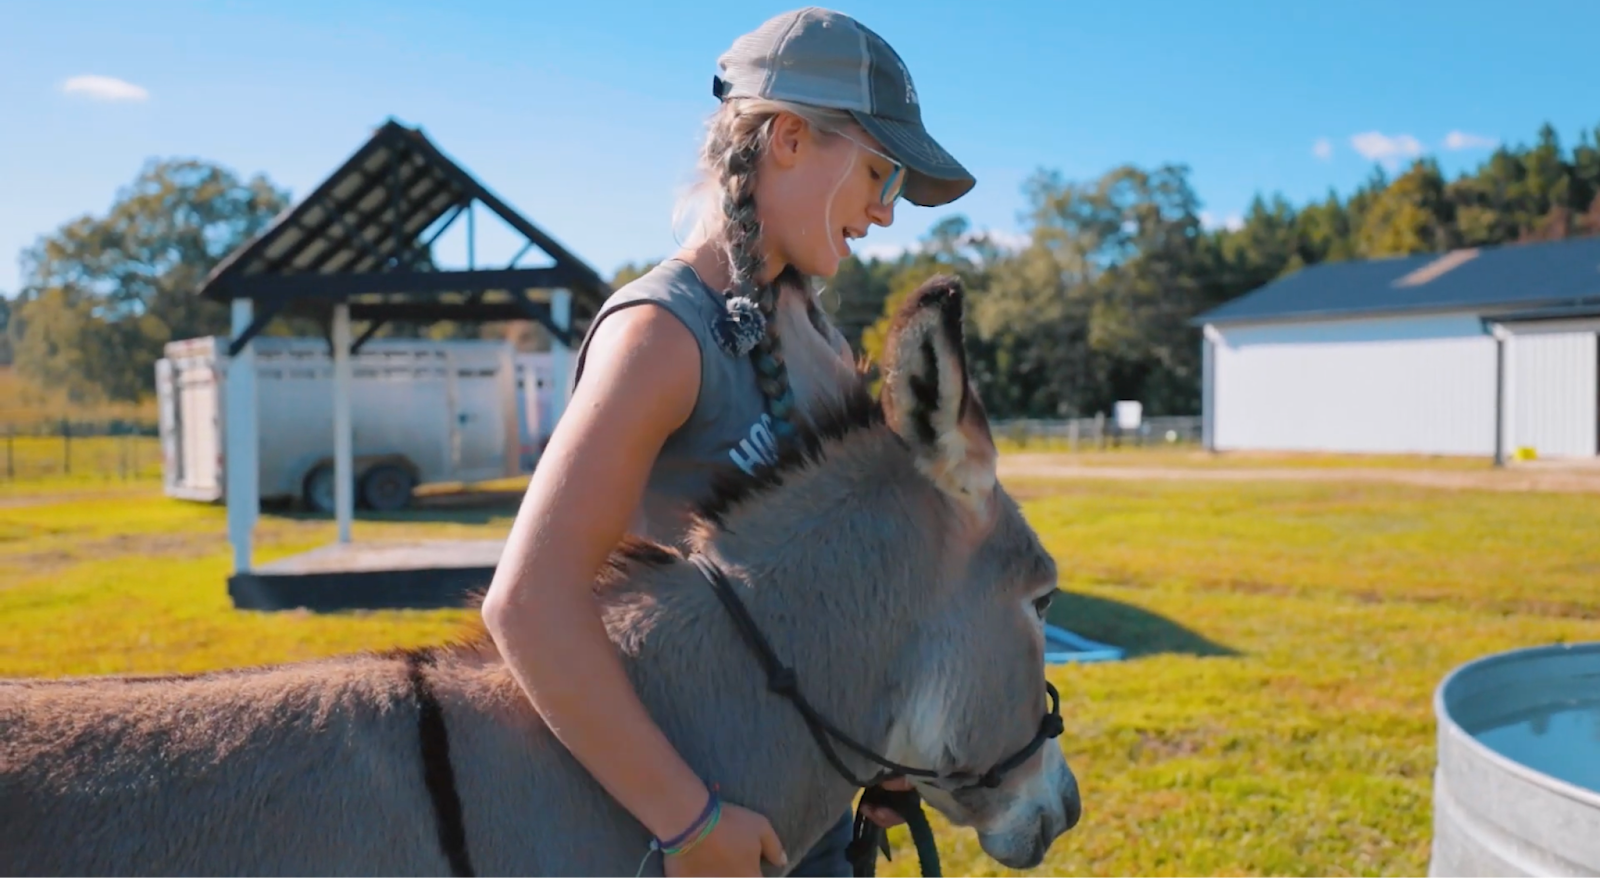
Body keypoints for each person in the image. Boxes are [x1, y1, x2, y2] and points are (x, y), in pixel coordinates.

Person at [478, 7, 976, 877]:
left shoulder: (819, 340)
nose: (886, 213)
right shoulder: (661, 333)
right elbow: (528, 605)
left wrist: (874, 745)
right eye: (879, 174)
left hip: (802, 815)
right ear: (788, 138)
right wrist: (689, 821)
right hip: (676, 831)